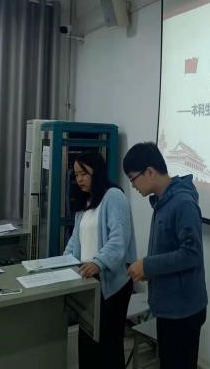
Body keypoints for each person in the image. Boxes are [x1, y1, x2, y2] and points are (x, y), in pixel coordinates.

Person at [123, 142, 207, 369]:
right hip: (170, 306)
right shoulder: (163, 201)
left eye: (133, 179)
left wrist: (148, 266)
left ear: (150, 172)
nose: (133, 186)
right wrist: (149, 271)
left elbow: (191, 254)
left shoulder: (182, 203)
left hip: (183, 310)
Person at [64, 152, 137, 369]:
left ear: (97, 171)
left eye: (84, 173)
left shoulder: (113, 196)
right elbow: (75, 241)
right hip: (88, 280)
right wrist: (61, 264)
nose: (79, 179)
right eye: (76, 174)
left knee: (108, 345)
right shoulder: (86, 202)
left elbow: (119, 239)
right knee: (87, 341)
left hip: (111, 283)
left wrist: (98, 262)